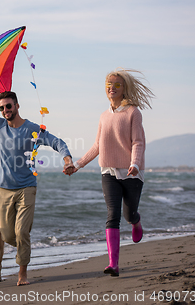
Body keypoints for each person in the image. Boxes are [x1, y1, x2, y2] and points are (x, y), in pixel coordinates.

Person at [0, 76, 74, 286]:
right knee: (9, 236)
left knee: (21, 233)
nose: (5, 111)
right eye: (1, 108)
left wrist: (67, 158)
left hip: (27, 188)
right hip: (3, 190)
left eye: (8, 106)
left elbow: (56, 141)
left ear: (17, 105)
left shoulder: (32, 128)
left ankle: (22, 274)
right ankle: (23, 239)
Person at [65, 68, 155, 277]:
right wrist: (77, 165)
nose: (112, 88)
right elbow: (97, 145)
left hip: (132, 172)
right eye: (109, 85)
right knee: (112, 215)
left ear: (124, 89)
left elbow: (138, 142)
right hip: (109, 171)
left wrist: (135, 164)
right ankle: (113, 264)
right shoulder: (104, 116)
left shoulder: (133, 112)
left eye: (117, 85)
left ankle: (136, 220)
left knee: (128, 213)